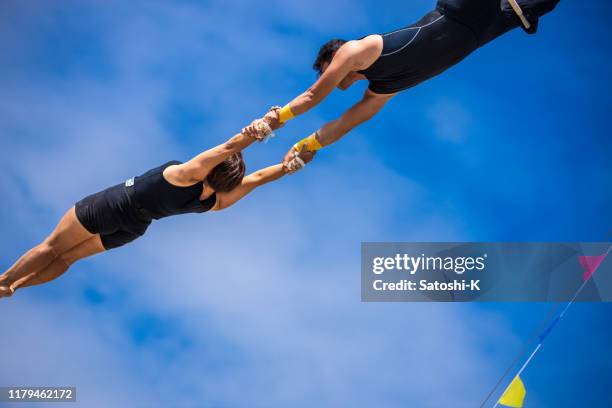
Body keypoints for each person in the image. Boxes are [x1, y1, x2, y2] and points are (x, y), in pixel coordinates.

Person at [0, 121, 315, 298]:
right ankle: (14, 288)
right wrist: (289, 166)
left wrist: (263, 126)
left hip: (113, 206)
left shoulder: (187, 173)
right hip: (134, 228)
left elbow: (228, 148)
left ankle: (4, 279)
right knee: (66, 258)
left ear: (213, 166)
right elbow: (257, 178)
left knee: (53, 246)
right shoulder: (213, 201)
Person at [244, 0, 560, 171]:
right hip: (486, 27)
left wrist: (275, 119)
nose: (326, 79)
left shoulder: (360, 50)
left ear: (338, 57)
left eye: (327, 70)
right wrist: (306, 146)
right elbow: (343, 123)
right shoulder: (382, 88)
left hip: (461, 9)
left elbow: (314, 96)